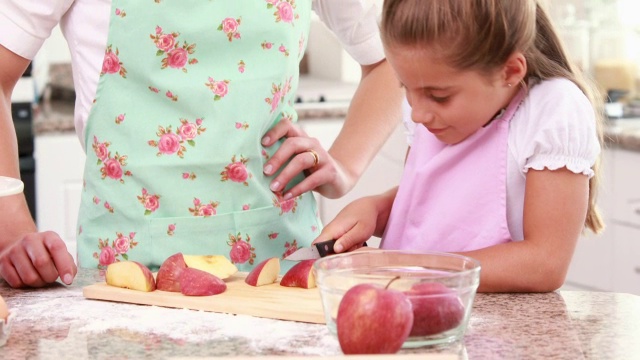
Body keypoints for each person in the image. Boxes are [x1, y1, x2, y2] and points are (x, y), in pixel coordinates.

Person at [0, 1, 403, 288]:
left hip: (279, 269)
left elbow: (390, 59)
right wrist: (14, 230)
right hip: (129, 278)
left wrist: (346, 166)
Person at [315, 0, 605, 293]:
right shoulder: (427, 111)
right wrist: (377, 209)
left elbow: (544, 264)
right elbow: (437, 201)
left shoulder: (552, 109)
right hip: (407, 311)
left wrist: (403, 267)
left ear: (510, 72)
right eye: (406, 88)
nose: (418, 113)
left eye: (439, 96)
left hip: (496, 327)